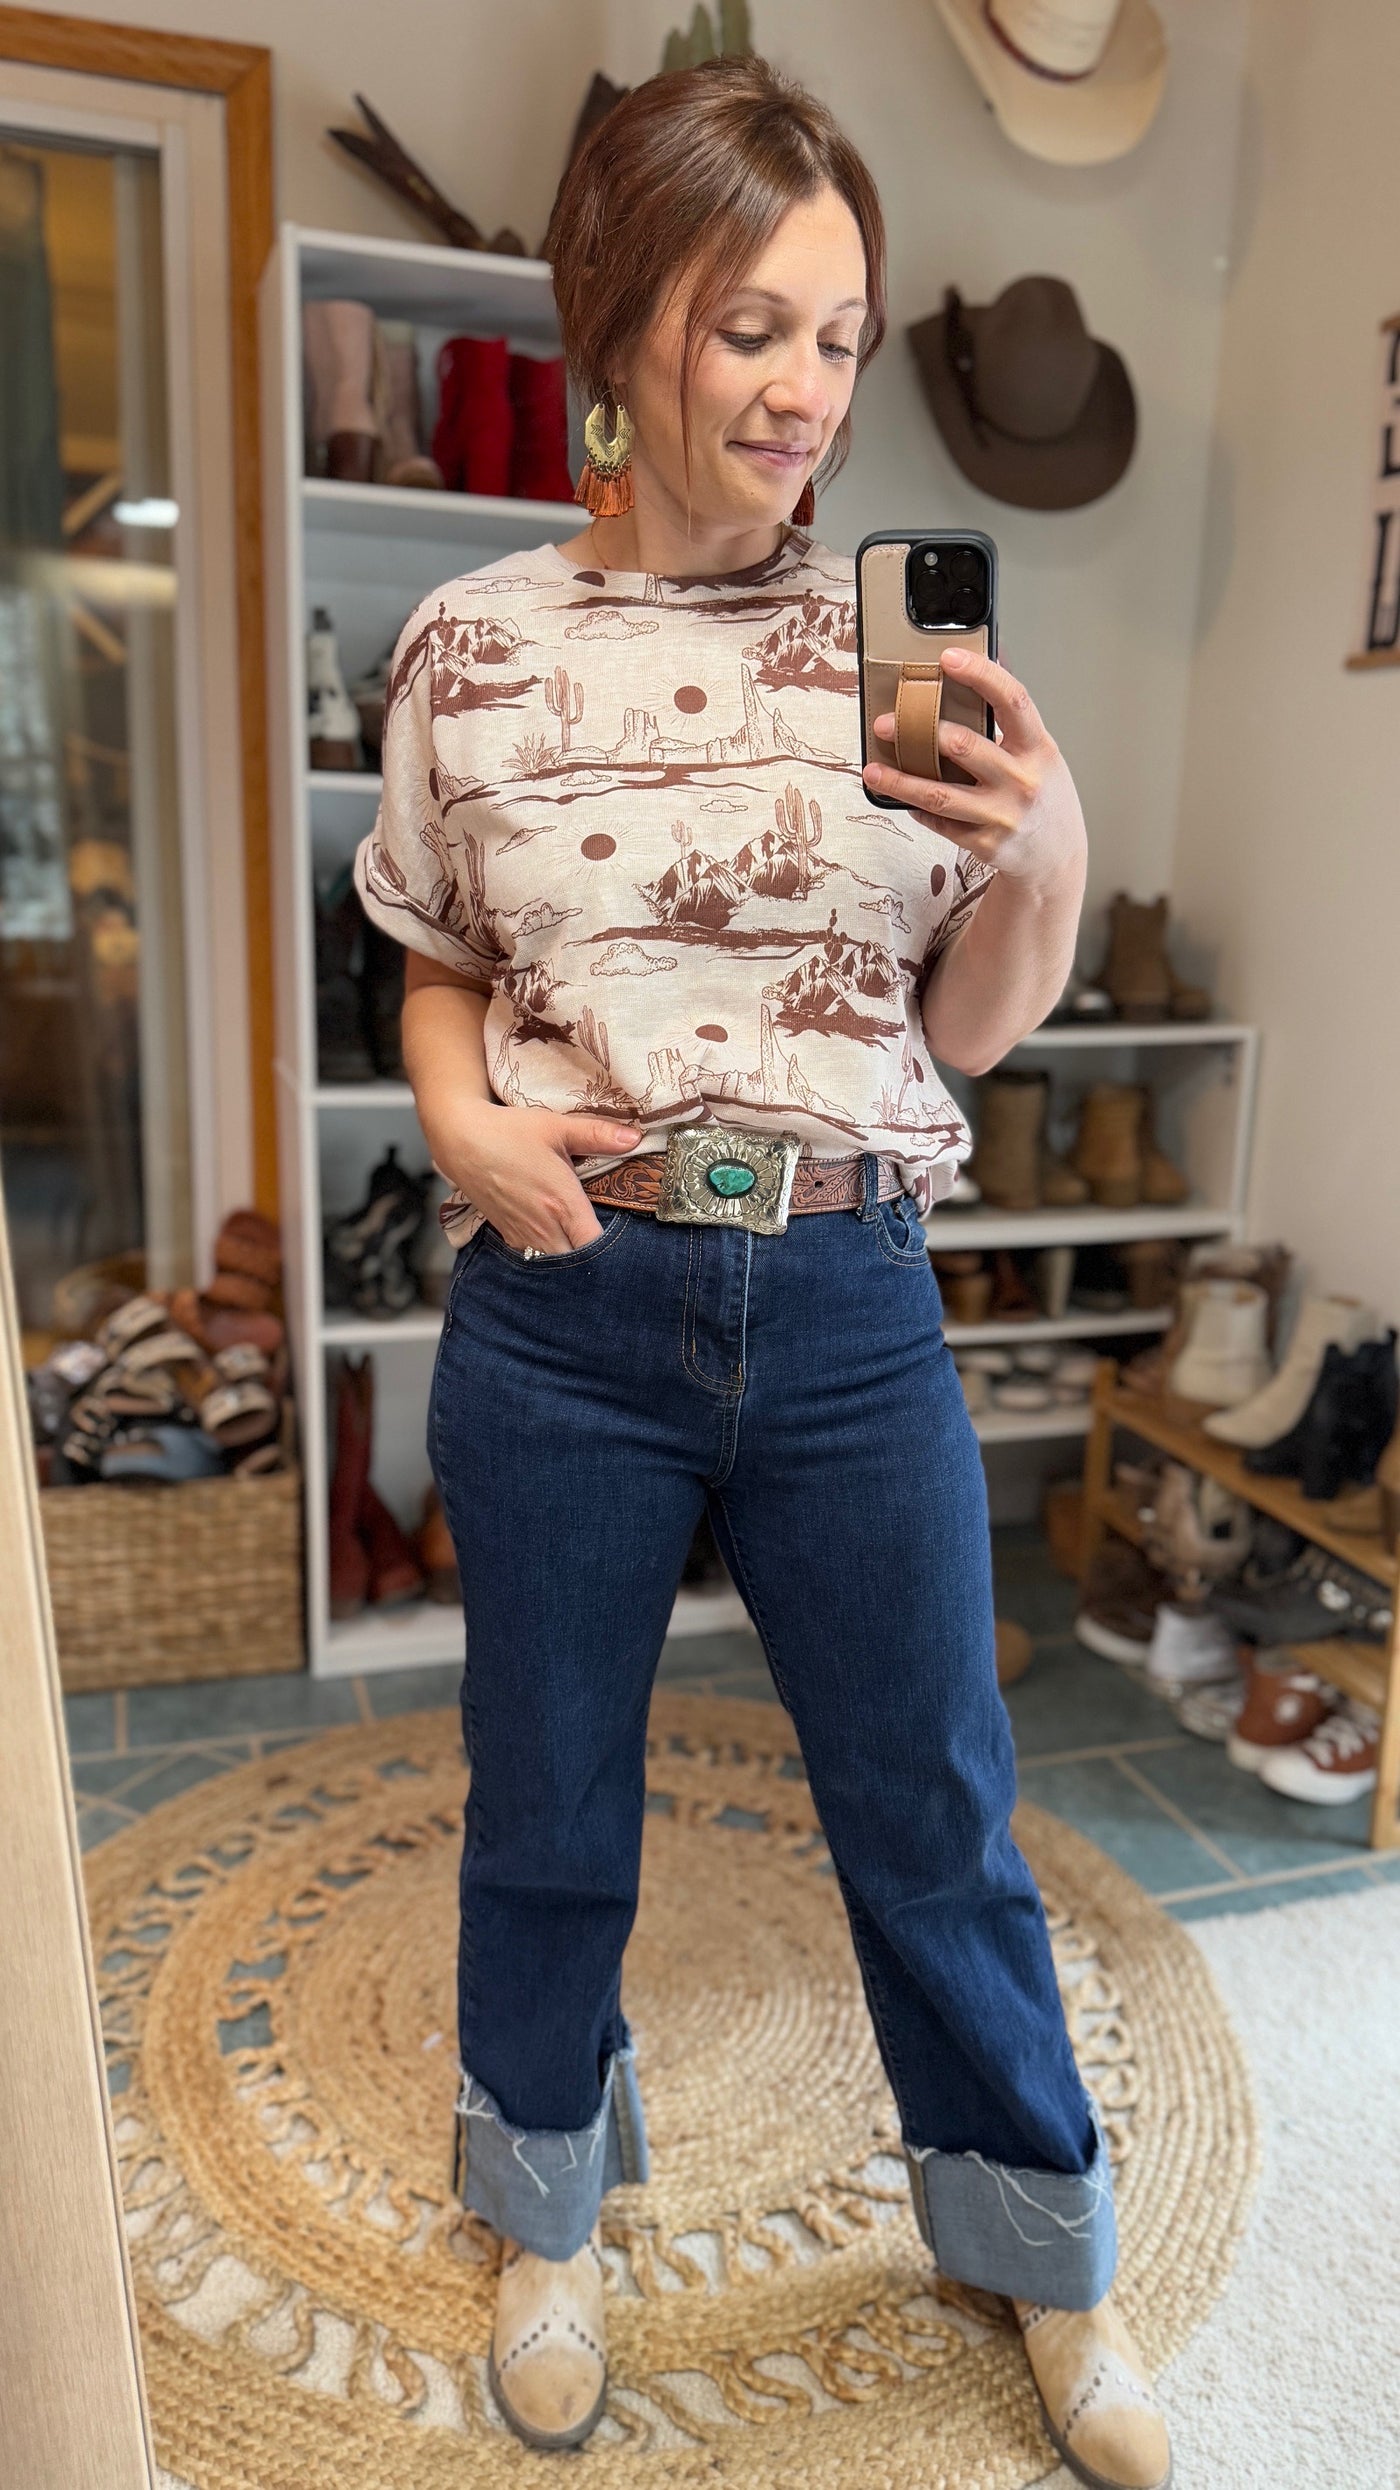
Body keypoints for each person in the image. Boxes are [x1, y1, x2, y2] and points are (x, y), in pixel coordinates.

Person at [354, 55, 1171, 2490]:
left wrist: (1047, 838)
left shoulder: (890, 650)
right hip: (568, 1299)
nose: (809, 391)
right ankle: (550, 2215)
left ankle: (1042, 2259)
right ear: (622, 334)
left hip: (839, 1303)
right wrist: (459, 1118)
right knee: (549, 1796)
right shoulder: (467, 651)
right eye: (752, 332)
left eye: (839, 333)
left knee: (932, 1798)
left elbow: (974, 1025)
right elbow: (426, 946)